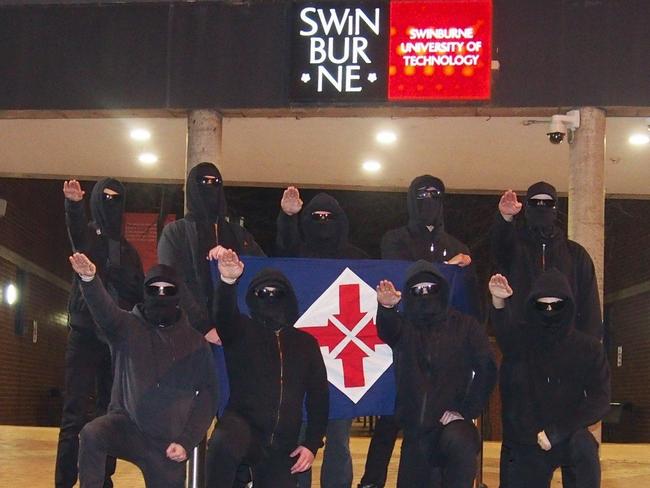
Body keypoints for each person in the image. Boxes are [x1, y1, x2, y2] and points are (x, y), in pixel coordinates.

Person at [359, 175, 477, 488]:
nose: (429, 201)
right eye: (422, 195)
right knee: (389, 419)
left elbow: (467, 302)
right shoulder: (395, 239)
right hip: (403, 343)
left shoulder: (458, 246)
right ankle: (372, 481)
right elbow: (402, 276)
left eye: (435, 195)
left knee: (438, 423)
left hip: (443, 352)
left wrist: (464, 272)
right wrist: (443, 269)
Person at [68, 253, 217, 488]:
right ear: (145, 292)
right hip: (127, 427)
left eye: (167, 290)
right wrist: (89, 280)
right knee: (93, 433)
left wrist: (186, 441)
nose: (160, 295)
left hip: (167, 445)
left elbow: (208, 396)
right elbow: (104, 311)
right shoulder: (127, 327)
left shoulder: (195, 343)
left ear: (177, 296)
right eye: (154, 289)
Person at [491, 182, 603, 488]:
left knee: (578, 448)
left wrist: (587, 353)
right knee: (519, 447)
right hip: (524, 357)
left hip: (568, 365)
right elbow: (498, 248)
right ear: (527, 208)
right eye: (535, 204)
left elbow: (590, 309)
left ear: (556, 208)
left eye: (547, 204)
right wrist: (504, 220)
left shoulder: (575, 254)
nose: (541, 210)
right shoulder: (515, 248)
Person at [205, 249, 329, 488]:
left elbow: (319, 397)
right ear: (253, 296)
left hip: (283, 444)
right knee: (222, 442)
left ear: (288, 297)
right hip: (242, 428)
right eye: (263, 293)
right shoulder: (240, 330)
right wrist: (228, 281)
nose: (270, 298)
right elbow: (222, 315)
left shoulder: (306, 343)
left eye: (276, 293)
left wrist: (312, 444)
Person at [375, 260, 496, 488]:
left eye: (430, 288)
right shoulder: (406, 327)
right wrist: (386, 309)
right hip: (415, 433)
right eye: (417, 290)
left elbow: (487, 369)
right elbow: (388, 330)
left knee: (462, 441)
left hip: (450, 429)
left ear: (441, 289)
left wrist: (466, 409)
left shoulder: (465, 326)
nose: (424, 294)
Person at [276, 187, 367, 488]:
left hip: (344, 362)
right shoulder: (297, 256)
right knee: (301, 437)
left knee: (339, 440)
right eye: (316, 217)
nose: (323, 222)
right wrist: (288, 218)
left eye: (329, 217)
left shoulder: (358, 259)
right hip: (302, 363)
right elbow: (281, 256)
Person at [56, 179, 143, 488]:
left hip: (115, 342)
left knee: (110, 413)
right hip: (83, 335)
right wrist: (74, 205)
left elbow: (140, 296)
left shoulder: (130, 252)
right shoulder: (88, 238)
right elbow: (76, 233)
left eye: (115, 198)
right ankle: (65, 481)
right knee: (74, 414)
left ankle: (104, 479)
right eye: (104, 197)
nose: (110, 202)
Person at [489, 271, 610, 488]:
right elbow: (505, 333)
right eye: (543, 306)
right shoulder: (522, 341)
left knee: (584, 448)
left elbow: (599, 399)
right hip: (526, 440)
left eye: (556, 306)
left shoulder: (588, 349)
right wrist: (499, 302)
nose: (550, 312)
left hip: (567, 435)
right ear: (532, 307)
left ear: (568, 306)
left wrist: (559, 431)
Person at [158, 161, 264, 339]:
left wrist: (232, 260)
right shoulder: (176, 233)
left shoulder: (238, 233)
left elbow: (263, 269)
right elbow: (173, 279)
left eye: (215, 182)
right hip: (190, 335)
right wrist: (203, 327)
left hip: (238, 330)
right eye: (203, 182)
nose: (209, 188)